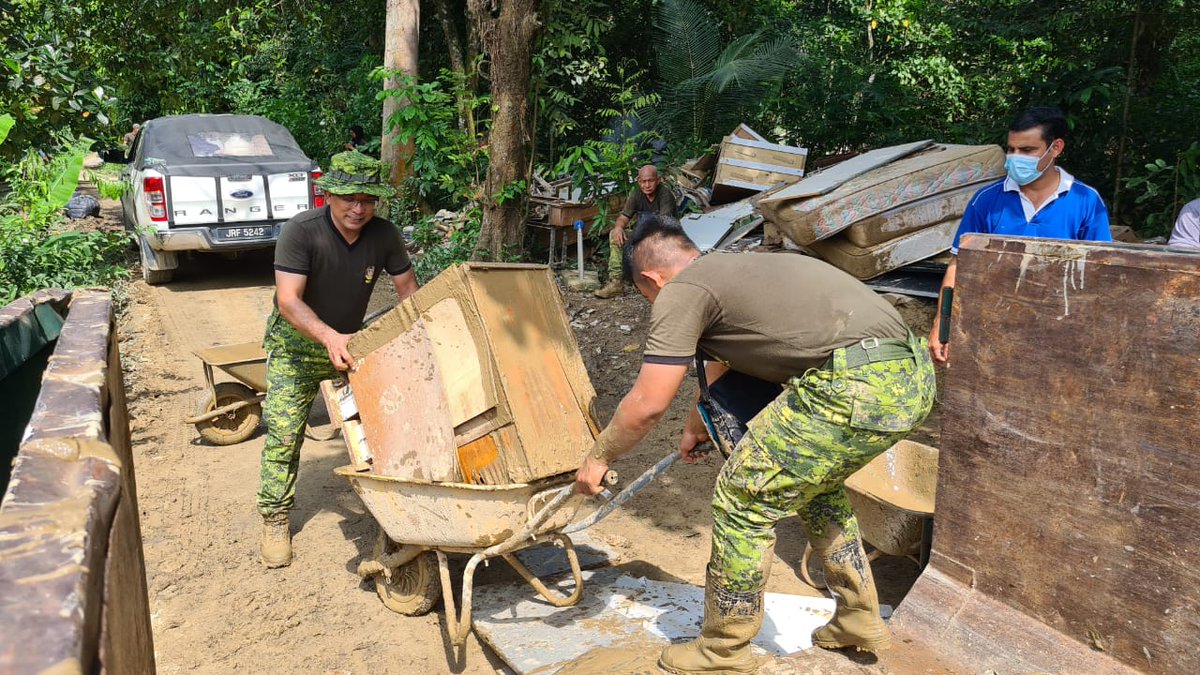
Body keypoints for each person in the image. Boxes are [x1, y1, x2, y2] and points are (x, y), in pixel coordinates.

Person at [574, 217, 936, 672]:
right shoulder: (735, 270)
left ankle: (723, 649)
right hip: (909, 379)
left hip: (851, 386)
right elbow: (722, 368)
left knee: (741, 501)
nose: (653, 304)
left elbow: (647, 402)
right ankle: (858, 616)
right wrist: (696, 425)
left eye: (646, 296)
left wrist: (599, 455)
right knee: (816, 490)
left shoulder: (682, 290)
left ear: (651, 279)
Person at [258, 150, 418, 568]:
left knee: (379, 425)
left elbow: (409, 293)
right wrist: (328, 337)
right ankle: (275, 516)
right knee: (283, 430)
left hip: (349, 346)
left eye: (367, 199)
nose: (358, 209)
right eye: (349, 198)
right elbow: (288, 301)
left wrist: (417, 342)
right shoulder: (302, 231)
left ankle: (389, 507)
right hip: (297, 347)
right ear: (328, 194)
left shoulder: (384, 235)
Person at [929, 106, 1112, 364]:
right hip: (992, 327)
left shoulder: (1085, 202)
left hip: (1062, 330)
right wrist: (941, 324)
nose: (1015, 158)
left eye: (1027, 151)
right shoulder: (987, 201)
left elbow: (1101, 273)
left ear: (1056, 148)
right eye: (1011, 149)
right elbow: (959, 264)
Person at [594, 164, 678, 299]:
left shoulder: (665, 195)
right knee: (614, 235)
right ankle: (616, 283)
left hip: (665, 236)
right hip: (644, 235)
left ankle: (659, 285)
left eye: (650, 181)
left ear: (658, 180)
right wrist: (618, 228)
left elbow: (663, 224)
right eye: (643, 181)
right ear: (639, 181)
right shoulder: (637, 194)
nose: (647, 185)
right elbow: (624, 217)